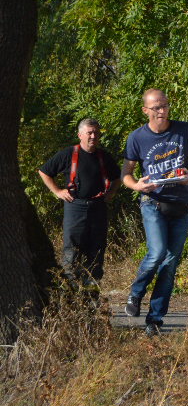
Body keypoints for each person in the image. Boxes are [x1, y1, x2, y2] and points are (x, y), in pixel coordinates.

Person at [121, 89, 188, 335]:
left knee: (169, 266)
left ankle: (154, 321)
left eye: (165, 106)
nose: (162, 111)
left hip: (181, 205)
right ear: (145, 110)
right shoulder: (136, 138)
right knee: (157, 252)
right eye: (156, 107)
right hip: (153, 202)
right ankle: (136, 293)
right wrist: (137, 185)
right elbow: (126, 175)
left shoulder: (184, 130)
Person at [37, 118, 120, 289]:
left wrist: (111, 191)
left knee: (97, 249)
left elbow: (117, 177)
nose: (93, 136)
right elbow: (44, 171)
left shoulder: (104, 156)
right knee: (71, 249)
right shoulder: (68, 154)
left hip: (98, 207)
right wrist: (58, 192)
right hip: (75, 206)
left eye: (96, 132)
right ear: (79, 135)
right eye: (89, 132)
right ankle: (69, 290)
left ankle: (92, 290)